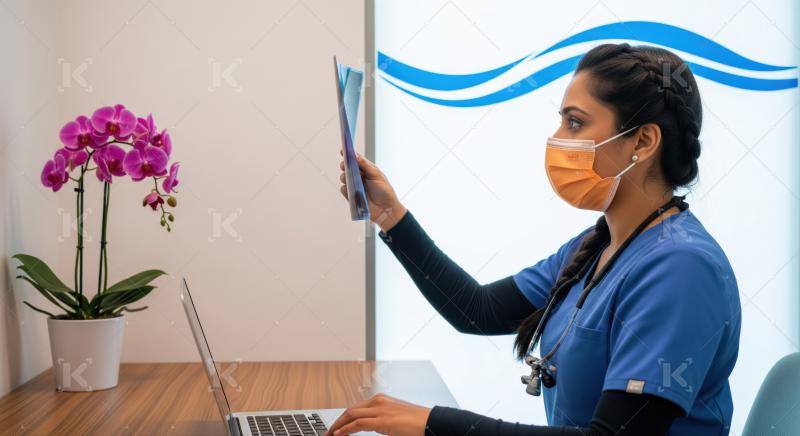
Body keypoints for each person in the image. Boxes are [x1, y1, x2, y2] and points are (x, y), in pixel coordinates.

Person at [326, 43, 741, 436]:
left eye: (575, 123)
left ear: (644, 141)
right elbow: (478, 310)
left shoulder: (681, 268)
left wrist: (434, 424)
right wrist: (389, 215)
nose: (558, 138)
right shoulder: (599, 245)